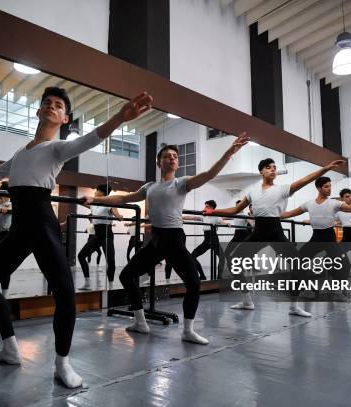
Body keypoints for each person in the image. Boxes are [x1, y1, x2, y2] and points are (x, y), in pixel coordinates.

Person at [0, 88, 153, 388]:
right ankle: (11, 348)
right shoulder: (21, 153)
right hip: (19, 228)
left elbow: (90, 139)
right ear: (38, 111)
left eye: (58, 106)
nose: (51, 107)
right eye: (47, 103)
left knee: (65, 293)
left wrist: (119, 117)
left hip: (41, 223)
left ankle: (62, 364)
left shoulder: (57, 148)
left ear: (64, 118)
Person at [86, 133, 249, 344]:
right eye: (167, 156)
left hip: (174, 238)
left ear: (178, 163)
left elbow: (208, 174)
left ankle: (188, 330)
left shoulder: (182, 184)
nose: (171, 158)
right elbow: (125, 198)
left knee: (193, 283)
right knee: (127, 275)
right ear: (158, 162)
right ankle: (140, 322)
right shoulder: (149, 187)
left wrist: (229, 153)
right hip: (156, 239)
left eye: (175, 156)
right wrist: (97, 200)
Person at [206, 157, 346, 316]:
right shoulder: (253, 192)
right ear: (261, 171)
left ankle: (294, 307)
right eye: (268, 167)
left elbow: (306, 179)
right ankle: (247, 300)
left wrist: (325, 168)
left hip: (276, 233)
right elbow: (234, 210)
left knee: (298, 267)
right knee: (233, 261)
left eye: (274, 167)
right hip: (258, 234)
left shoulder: (282, 189)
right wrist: (212, 212)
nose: (272, 169)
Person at [281, 178, 351, 300]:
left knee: (345, 265)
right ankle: (302, 290)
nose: (329, 189)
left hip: (330, 239)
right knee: (298, 261)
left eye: (330, 186)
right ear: (319, 188)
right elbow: (289, 213)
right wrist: (268, 214)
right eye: (326, 186)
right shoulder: (308, 204)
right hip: (316, 238)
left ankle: (338, 292)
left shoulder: (334, 203)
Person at [78, 184, 122, 283]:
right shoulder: (93, 205)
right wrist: (80, 199)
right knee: (81, 256)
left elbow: (115, 211)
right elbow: (82, 202)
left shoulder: (109, 203)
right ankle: (87, 281)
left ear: (101, 192)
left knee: (110, 261)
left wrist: (118, 215)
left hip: (107, 234)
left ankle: (110, 284)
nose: (94, 192)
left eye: (96, 191)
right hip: (97, 235)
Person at [184, 200, 230, 280]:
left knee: (222, 258)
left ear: (212, 208)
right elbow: (192, 217)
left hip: (214, 239)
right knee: (192, 256)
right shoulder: (204, 216)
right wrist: (179, 217)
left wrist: (226, 223)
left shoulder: (216, 216)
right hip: (206, 240)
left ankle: (219, 277)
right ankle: (202, 275)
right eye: (205, 206)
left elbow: (221, 221)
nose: (204, 208)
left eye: (207, 206)